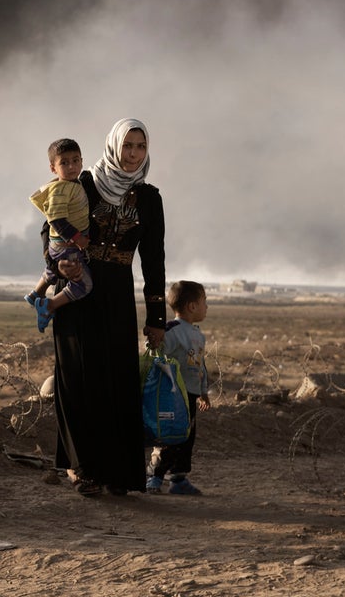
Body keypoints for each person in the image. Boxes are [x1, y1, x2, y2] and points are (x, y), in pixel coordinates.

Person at [50, 118, 166, 497]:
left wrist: (157, 319)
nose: (133, 154)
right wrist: (57, 265)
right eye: (128, 145)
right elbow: (50, 226)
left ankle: (118, 473)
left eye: (140, 147)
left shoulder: (150, 198)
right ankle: (80, 468)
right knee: (78, 377)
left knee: (116, 381)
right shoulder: (82, 184)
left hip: (117, 294)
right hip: (78, 290)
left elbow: (154, 261)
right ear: (114, 145)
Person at [147, 280, 211, 495]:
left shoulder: (198, 335)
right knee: (168, 435)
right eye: (204, 302)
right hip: (171, 395)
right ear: (192, 306)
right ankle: (154, 477)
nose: (207, 307)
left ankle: (179, 479)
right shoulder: (172, 330)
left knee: (186, 436)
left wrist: (203, 392)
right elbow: (157, 354)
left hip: (190, 395)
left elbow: (200, 364)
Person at [25, 138, 92, 332]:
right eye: (64, 162)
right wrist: (77, 238)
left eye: (75, 160)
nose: (71, 166)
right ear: (53, 168)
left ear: (81, 160)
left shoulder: (73, 184)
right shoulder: (60, 190)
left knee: (54, 272)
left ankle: (35, 293)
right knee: (84, 285)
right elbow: (55, 219)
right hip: (67, 245)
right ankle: (49, 305)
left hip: (62, 245)